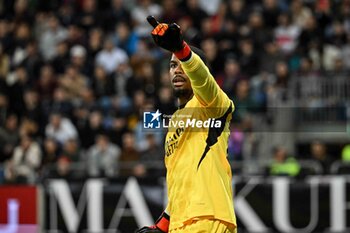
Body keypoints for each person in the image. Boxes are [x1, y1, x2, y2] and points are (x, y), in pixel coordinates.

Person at [136, 16, 236, 233]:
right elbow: (181, 183)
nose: (177, 70)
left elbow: (203, 80)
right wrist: (160, 226)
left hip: (208, 218)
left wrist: (182, 49)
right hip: (181, 224)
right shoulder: (173, 125)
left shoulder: (211, 104)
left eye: (183, 64)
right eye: (172, 65)